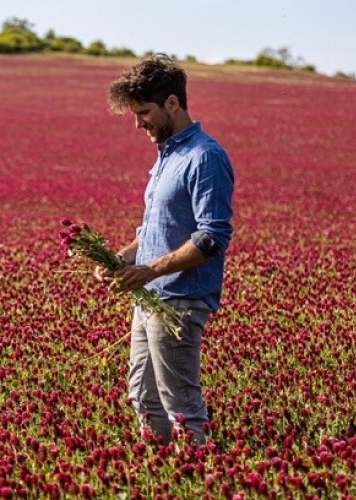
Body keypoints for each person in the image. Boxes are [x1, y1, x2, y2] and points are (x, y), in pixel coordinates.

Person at [96, 54, 234, 446]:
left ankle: (198, 474)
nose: (139, 124)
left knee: (181, 405)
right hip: (150, 297)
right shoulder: (167, 157)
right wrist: (121, 258)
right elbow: (156, 230)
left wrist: (151, 270)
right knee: (143, 397)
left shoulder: (204, 156)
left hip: (180, 299)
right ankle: (159, 472)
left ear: (172, 103)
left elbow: (212, 237)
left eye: (144, 112)